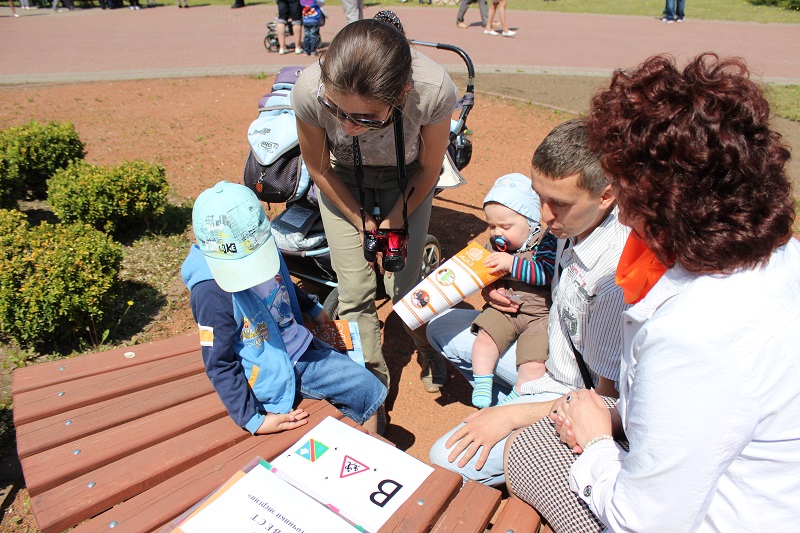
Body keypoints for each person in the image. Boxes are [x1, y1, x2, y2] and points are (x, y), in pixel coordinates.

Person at [505, 53, 800, 532]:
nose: (621, 214)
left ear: (660, 200)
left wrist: (598, 440)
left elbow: (643, 521)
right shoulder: (784, 259)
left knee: (531, 450)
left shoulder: (692, 330)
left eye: (625, 192)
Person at [428, 118, 629, 486]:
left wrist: (512, 417)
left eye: (560, 204)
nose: (544, 216)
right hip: (553, 354)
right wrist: (492, 287)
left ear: (606, 195)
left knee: (444, 459)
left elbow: (607, 402)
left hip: (576, 394)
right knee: (442, 325)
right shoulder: (573, 221)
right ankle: (513, 401)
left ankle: (522, 424)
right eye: (539, 197)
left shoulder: (613, 276)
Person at [292, 15, 456, 396]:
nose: (347, 127)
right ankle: (370, 387)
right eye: (337, 110)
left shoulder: (432, 90)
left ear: (402, 93)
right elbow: (317, 166)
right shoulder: (307, 90)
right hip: (342, 177)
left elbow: (431, 166)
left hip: (409, 176)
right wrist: (359, 219)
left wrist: (395, 217)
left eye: (366, 117)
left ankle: (429, 349)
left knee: (406, 284)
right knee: (354, 290)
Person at [181, 181, 386, 435]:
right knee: (369, 388)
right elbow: (219, 362)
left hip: (296, 343)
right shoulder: (211, 292)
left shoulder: (263, 246)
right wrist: (253, 420)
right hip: (277, 368)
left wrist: (311, 307)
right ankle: (376, 453)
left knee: (356, 371)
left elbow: (281, 287)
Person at [470, 173, 557, 409]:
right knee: (485, 337)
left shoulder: (545, 242)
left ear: (530, 222)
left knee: (534, 359)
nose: (497, 232)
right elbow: (478, 273)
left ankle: (519, 394)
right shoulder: (494, 247)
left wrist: (511, 264)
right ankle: (482, 381)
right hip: (505, 309)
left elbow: (545, 274)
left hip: (539, 316)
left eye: (505, 226)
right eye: (492, 226)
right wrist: (484, 282)